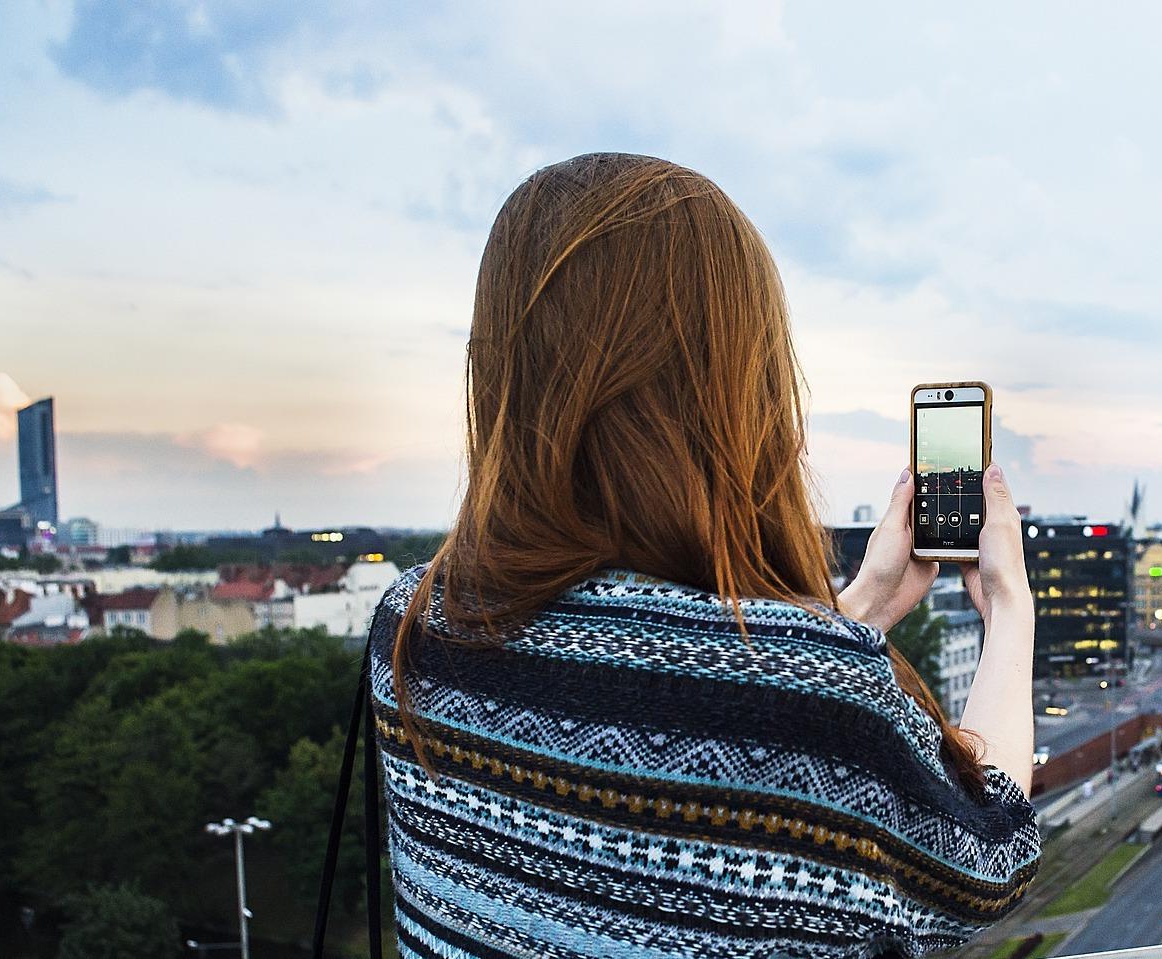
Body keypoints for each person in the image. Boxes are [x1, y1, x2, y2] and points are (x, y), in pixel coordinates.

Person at [369, 153, 1041, 959]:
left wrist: (857, 607)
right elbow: (992, 851)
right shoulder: (823, 702)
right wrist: (1009, 608)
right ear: (735, 391)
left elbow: (682, 695)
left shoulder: (414, 627)